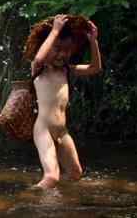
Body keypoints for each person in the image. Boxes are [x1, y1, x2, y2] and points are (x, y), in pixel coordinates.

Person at [27, 14, 102, 189]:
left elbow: (95, 68)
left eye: (67, 50)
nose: (62, 54)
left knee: (76, 173)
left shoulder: (67, 70)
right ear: (46, 47)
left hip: (62, 131)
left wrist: (93, 41)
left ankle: (59, 198)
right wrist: (54, 31)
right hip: (43, 129)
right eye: (57, 48)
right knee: (52, 177)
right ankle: (28, 196)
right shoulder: (39, 70)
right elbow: (39, 58)